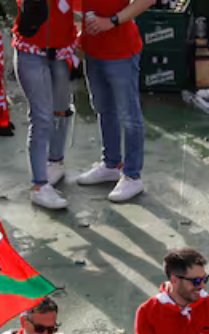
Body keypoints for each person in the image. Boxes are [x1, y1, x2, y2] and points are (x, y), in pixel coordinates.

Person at [73, 0, 151, 204]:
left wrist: (112, 21)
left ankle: (132, 176)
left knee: (129, 116)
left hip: (121, 52)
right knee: (103, 109)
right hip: (93, 50)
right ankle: (111, 165)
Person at [13, 0, 76, 210]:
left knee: (61, 109)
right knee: (41, 118)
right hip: (30, 50)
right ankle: (39, 185)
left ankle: (55, 161)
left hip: (62, 51)